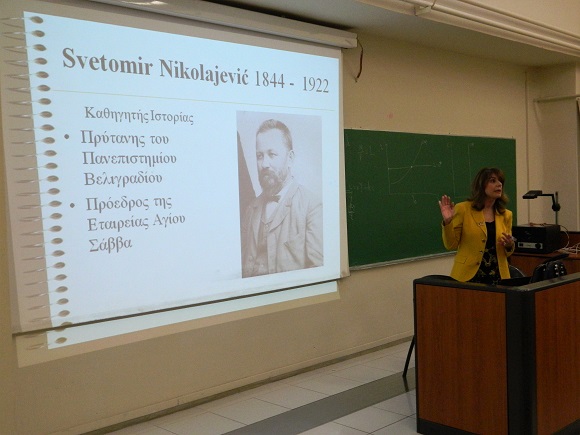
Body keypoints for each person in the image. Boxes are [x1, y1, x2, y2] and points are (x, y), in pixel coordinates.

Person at [241, 119, 323, 277]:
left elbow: (319, 276)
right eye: (259, 156)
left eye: (272, 154)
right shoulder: (250, 210)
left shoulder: (312, 207)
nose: (264, 164)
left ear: (290, 158)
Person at [439, 167, 515, 284]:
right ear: (481, 185)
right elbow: (451, 245)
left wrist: (509, 245)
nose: (499, 184)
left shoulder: (506, 214)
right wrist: (448, 222)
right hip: (468, 277)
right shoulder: (463, 209)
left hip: (498, 276)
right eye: (493, 181)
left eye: (500, 181)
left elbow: (507, 251)